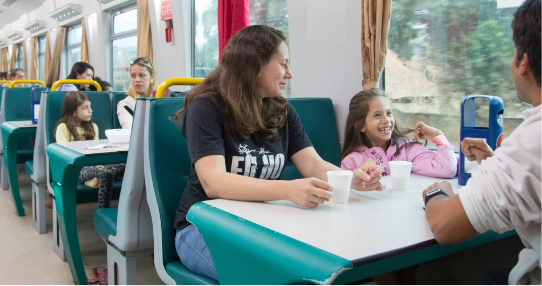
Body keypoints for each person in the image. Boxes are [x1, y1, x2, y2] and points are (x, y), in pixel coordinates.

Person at [170, 25, 385, 281]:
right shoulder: (207, 106)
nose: (290, 74)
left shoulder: (282, 110)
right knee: (270, 277)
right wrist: (288, 190)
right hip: (204, 227)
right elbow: (213, 182)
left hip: (262, 224)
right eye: (283, 64)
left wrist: (350, 178)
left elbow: (313, 164)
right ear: (254, 66)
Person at [422, 1, 542, 285]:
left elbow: (444, 226)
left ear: (523, 61)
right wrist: (494, 162)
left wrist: (436, 194)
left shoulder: (531, 143)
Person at [341, 89, 457, 179]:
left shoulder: (408, 150)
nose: (386, 120)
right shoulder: (352, 161)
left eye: (389, 113)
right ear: (360, 125)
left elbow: (446, 169)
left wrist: (439, 137)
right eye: (377, 115)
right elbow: (346, 191)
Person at [54, 91, 125, 209]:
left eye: (90, 107)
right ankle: (103, 209)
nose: (90, 111)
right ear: (73, 111)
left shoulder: (93, 127)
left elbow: (96, 152)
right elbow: (63, 155)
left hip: (94, 167)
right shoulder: (63, 128)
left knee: (123, 166)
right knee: (106, 174)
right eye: (85, 108)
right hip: (74, 169)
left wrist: (99, 166)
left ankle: (92, 179)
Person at [116, 57, 157, 129]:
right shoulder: (126, 104)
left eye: (142, 75)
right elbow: (130, 131)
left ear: (152, 77)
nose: (137, 80)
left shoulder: (162, 98)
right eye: (133, 76)